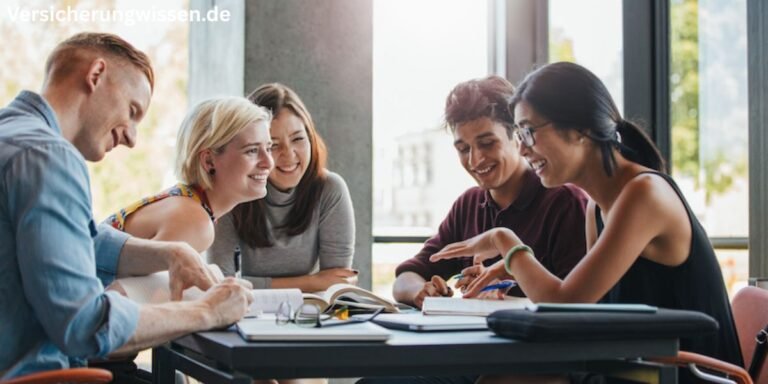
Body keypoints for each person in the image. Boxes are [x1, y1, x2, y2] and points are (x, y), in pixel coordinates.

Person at [431, 62, 742, 383]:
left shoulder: (643, 194)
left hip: (685, 375)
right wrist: (513, 268)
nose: (523, 148)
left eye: (528, 131)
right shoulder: (598, 206)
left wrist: (504, 241)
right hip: (639, 368)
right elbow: (585, 313)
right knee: (501, 377)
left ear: (580, 129)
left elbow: (564, 303)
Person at [0, 32, 253, 380]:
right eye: (132, 111)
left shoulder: (12, 136)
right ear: (96, 75)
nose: (132, 138)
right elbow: (84, 324)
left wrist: (171, 253)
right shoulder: (49, 157)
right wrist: (207, 311)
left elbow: (82, 241)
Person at [393, 75, 588, 309]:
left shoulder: (565, 202)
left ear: (518, 137)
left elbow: (576, 303)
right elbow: (407, 276)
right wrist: (420, 292)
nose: (475, 160)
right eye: (464, 149)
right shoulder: (468, 205)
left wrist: (504, 285)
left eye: (487, 144)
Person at [209, 83, 357, 292]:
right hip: (249, 313)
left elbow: (337, 282)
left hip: (312, 313)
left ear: (311, 138)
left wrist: (254, 284)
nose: (289, 155)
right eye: (273, 145)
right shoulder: (233, 191)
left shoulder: (330, 189)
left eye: (298, 139)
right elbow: (220, 283)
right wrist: (311, 282)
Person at [104, 97, 274, 254]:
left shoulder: (189, 204)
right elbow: (127, 286)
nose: (269, 163)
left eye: (268, 148)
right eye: (252, 150)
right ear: (208, 161)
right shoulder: (194, 221)